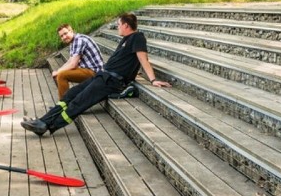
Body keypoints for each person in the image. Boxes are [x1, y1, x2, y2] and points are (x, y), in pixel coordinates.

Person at [22, 12, 171, 136]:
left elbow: (143, 59)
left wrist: (153, 80)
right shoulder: (126, 40)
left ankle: (49, 126)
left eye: (119, 24)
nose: (117, 27)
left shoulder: (138, 37)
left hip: (112, 81)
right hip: (103, 75)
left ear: (126, 25)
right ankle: (41, 120)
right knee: (70, 94)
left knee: (78, 102)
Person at [51, 24, 104, 99]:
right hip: (87, 70)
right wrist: (59, 70)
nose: (64, 37)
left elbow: (73, 65)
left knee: (61, 75)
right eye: (61, 36)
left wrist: (59, 72)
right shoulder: (74, 41)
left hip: (95, 73)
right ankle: (65, 101)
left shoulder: (79, 40)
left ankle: (63, 104)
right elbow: (70, 61)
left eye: (65, 33)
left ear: (71, 31)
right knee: (60, 74)